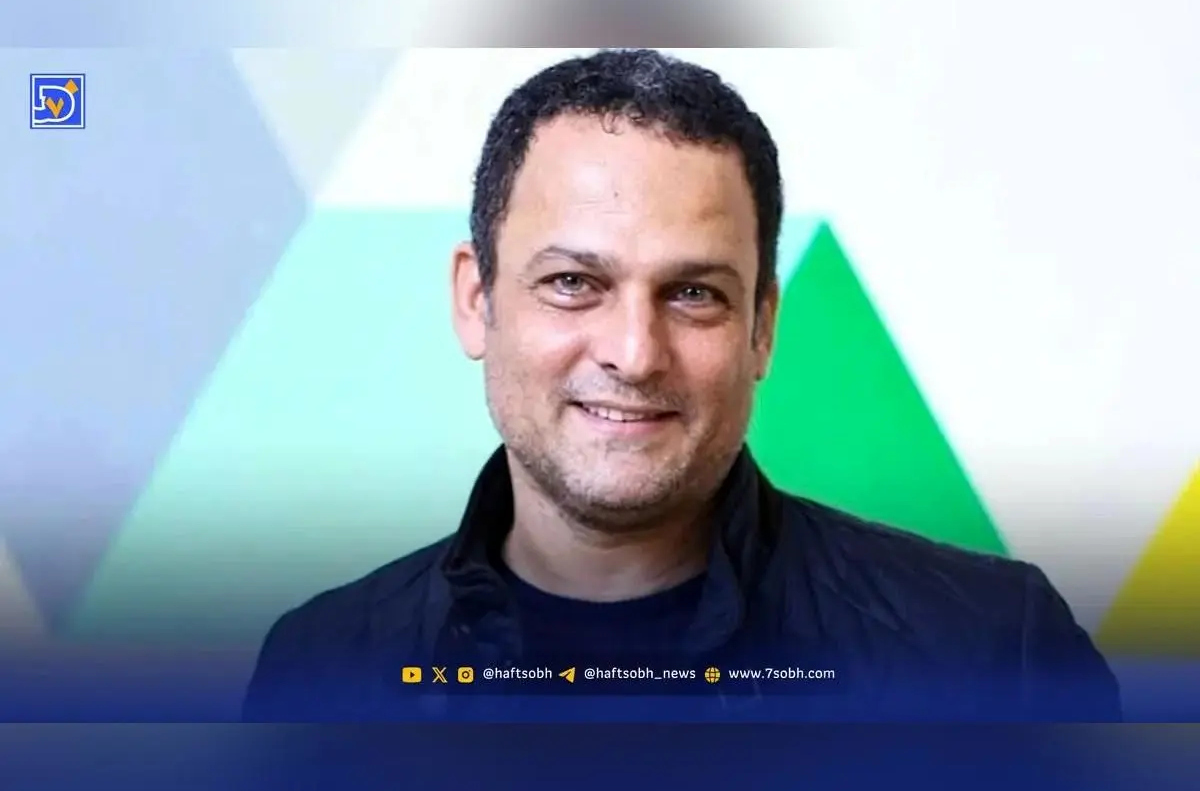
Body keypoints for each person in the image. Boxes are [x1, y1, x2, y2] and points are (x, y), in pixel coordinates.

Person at [242, 48, 1121, 722]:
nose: (634, 353)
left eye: (693, 294)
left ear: (761, 328)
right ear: (477, 301)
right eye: (573, 283)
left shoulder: (995, 655)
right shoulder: (320, 668)